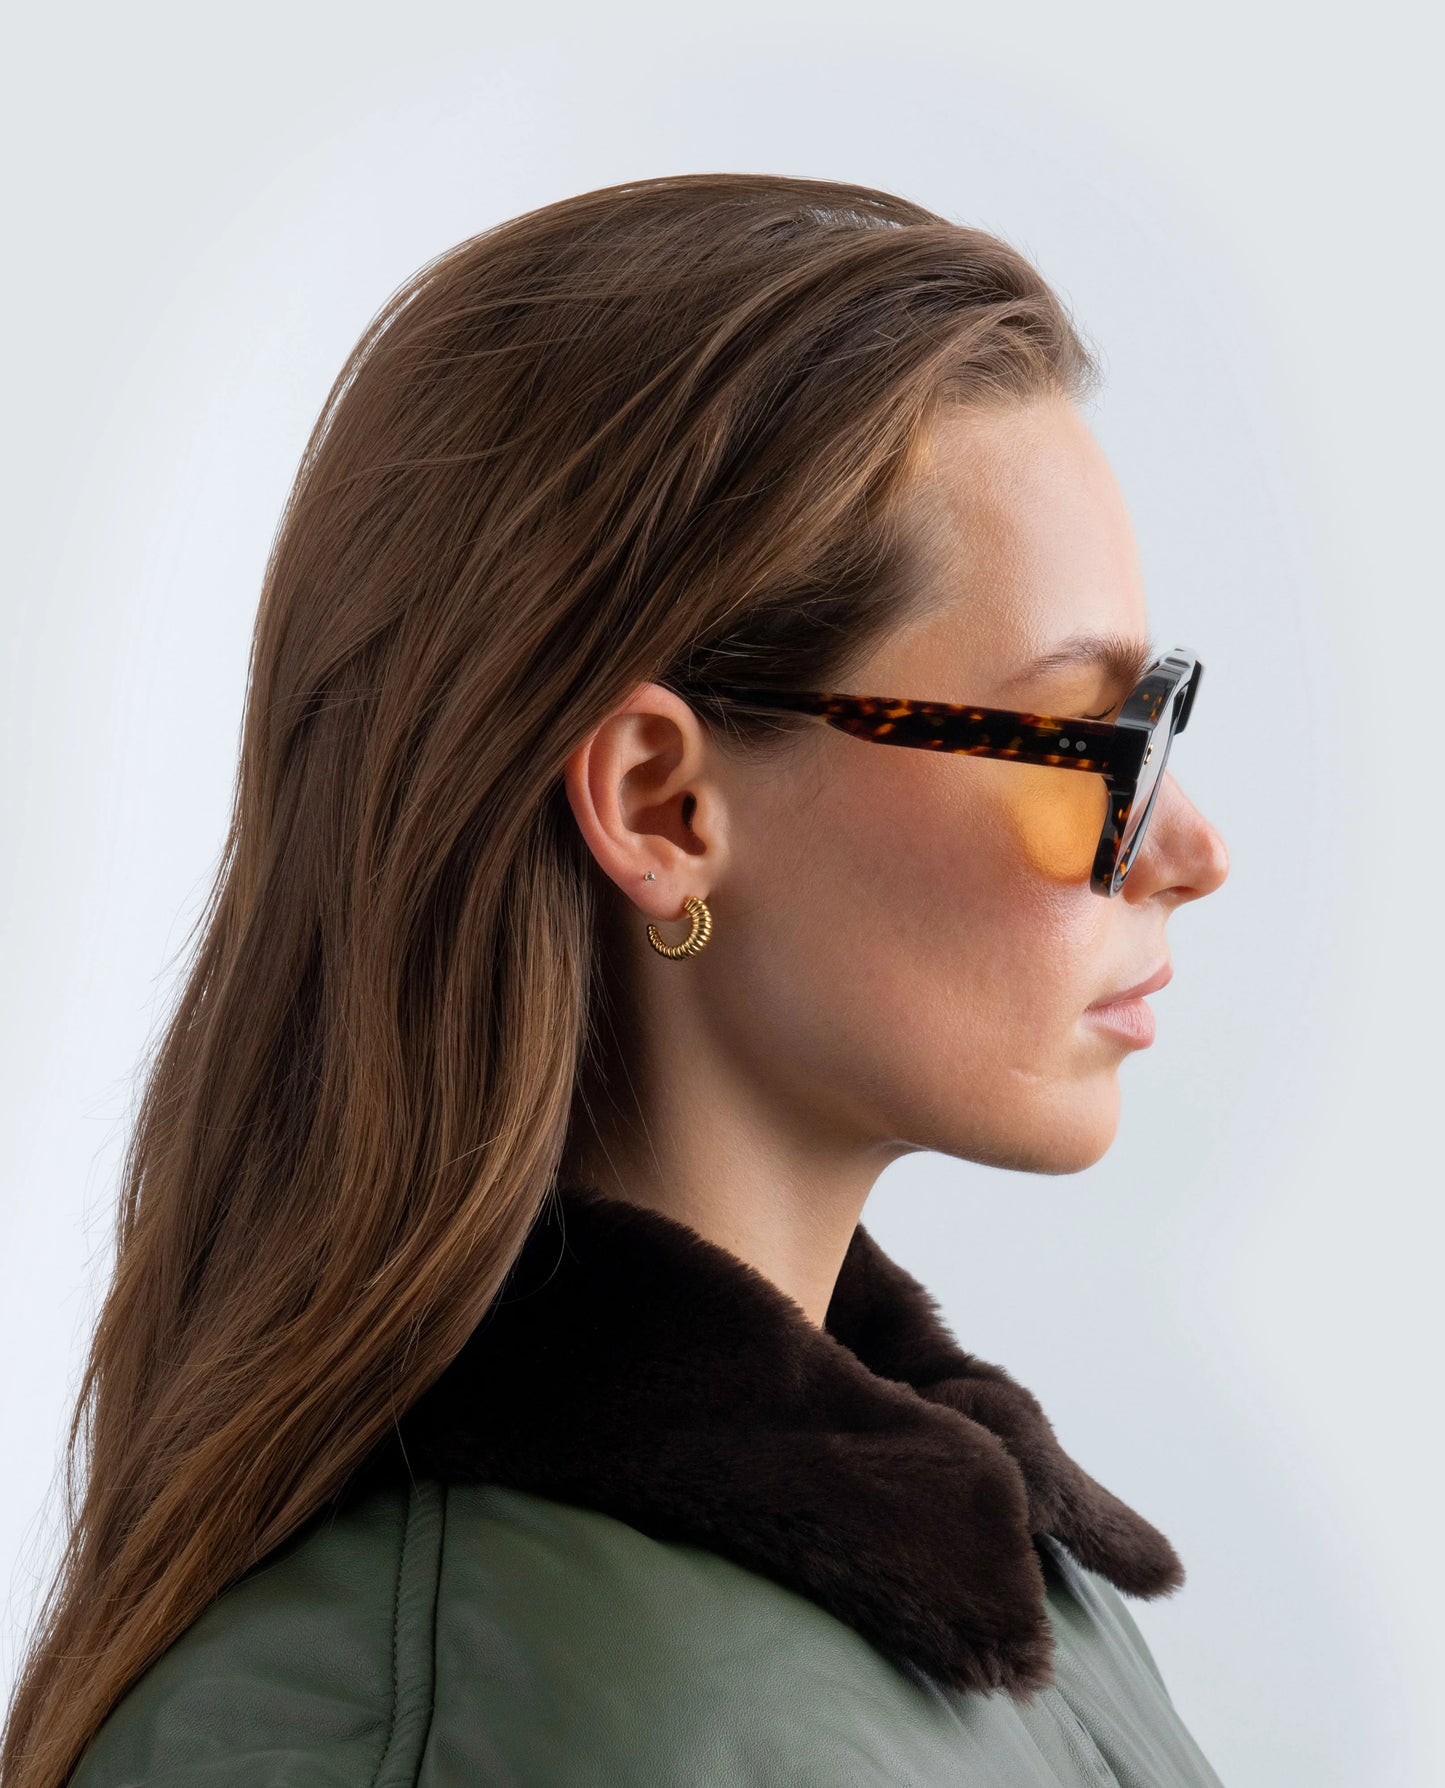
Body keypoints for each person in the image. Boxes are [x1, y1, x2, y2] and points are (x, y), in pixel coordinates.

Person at [3, 172, 1230, 1788]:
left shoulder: (957, 1578)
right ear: (663, 803)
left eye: (1155, 727)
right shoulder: (515, 1722)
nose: (1188, 848)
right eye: (1086, 742)